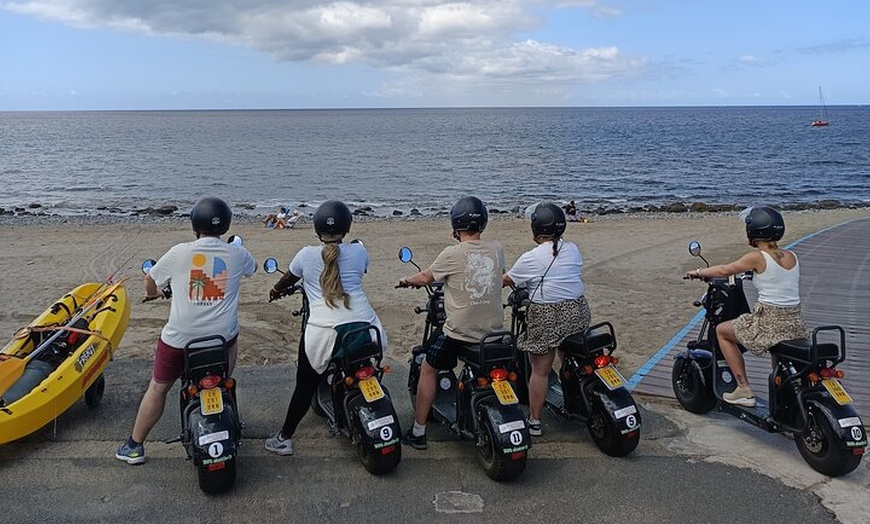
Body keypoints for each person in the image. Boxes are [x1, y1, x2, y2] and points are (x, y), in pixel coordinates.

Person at [115, 197, 257, 465]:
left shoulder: (179, 252)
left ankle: (134, 446)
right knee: (233, 334)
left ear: (195, 226)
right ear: (225, 225)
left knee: (157, 388)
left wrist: (155, 293)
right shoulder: (237, 254)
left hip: (180, 341)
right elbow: (253, 269)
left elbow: (150, 278)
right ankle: (222, 379)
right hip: (220, 340)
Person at [265, 200, 386, 455]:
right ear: (347, 227)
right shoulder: (359, 252)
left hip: (324, 333)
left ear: (317, 228)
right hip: (368, 327)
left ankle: (284, 437)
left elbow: (288, 278)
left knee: (305, 384)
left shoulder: (306, 255)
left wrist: (275, 290)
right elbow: (360, 270)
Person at [398, 196, 506, 450]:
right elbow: (498, 277)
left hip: (459, 333)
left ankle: (418, 430)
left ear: (455, 225)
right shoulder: (497, 249)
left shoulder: (452, 253)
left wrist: (405, 280)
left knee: (428, 368)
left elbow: (425, 277)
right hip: (494, 332)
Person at [685, 206, 810, 408]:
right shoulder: (791, 256)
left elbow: (726, 269)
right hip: (795, 324)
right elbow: (776, 278)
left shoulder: (757, 257)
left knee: (722, 331)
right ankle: (783, 399)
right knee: (777, 355)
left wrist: (699, 271)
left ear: (754, 231)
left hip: (769, 321)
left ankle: (743, 389)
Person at [502, 202, 591, 436]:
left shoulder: (531, 257)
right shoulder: (573, 249)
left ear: (536, 229)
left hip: (547, 315)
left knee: (540, 370)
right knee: (566, 350)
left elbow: (506, 279)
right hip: (578, 311)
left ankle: (534, 421)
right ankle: (571, 391)